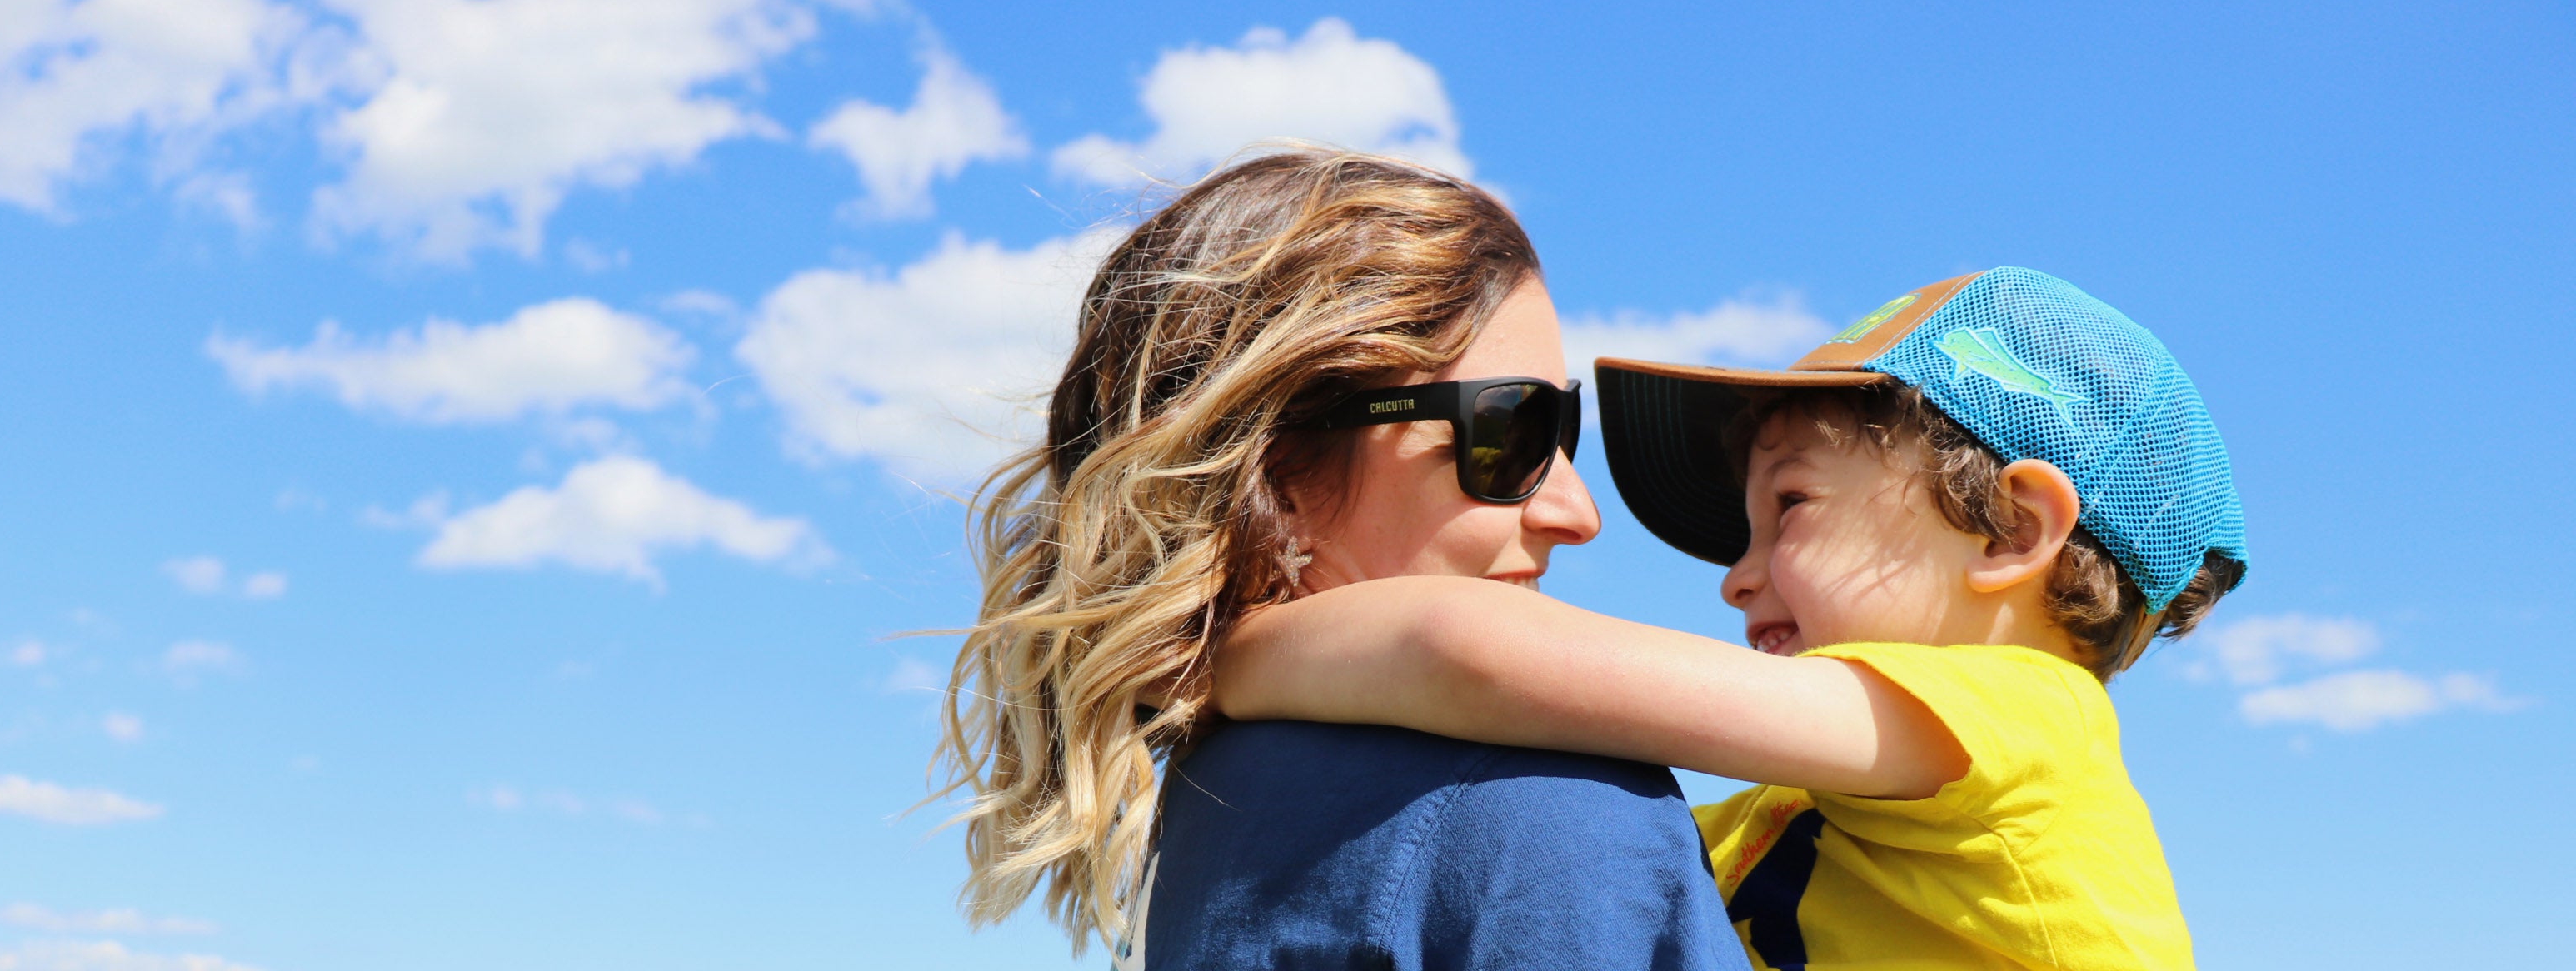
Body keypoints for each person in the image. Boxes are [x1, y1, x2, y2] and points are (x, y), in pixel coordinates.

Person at [1215, 267, 2249, 970]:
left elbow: (1470, 656)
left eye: (1787, 509)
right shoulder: (1807, 810)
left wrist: (1226, 659)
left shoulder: (2032, 718)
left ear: (2012, 535)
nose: (1733, 579)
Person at [934, 150, 1745, 969]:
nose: (1577, 514)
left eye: (1560, 432)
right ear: (1275, 469)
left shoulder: (1204, 819)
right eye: (1511, 434)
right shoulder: (1537, 810)